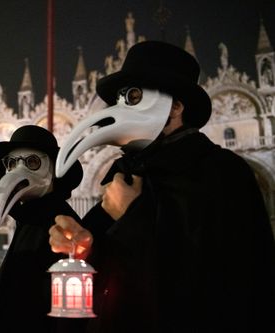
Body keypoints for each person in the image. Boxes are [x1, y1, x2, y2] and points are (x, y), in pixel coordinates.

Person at [50, 41, 275, 332]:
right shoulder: (125, 171)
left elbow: (226, 282)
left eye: (133, 96)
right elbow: (105, 263)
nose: (121, 109)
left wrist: (131, 215)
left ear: (177, 106)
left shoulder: (222, 172)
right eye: (119, 100)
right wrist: (82, 242)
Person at [0, 125, 86, 333]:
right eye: (11, 163)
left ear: (53, 170)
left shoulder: (62, 224)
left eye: (32, 162)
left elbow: (70, 315)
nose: (18, 171)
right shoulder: (28, 221)